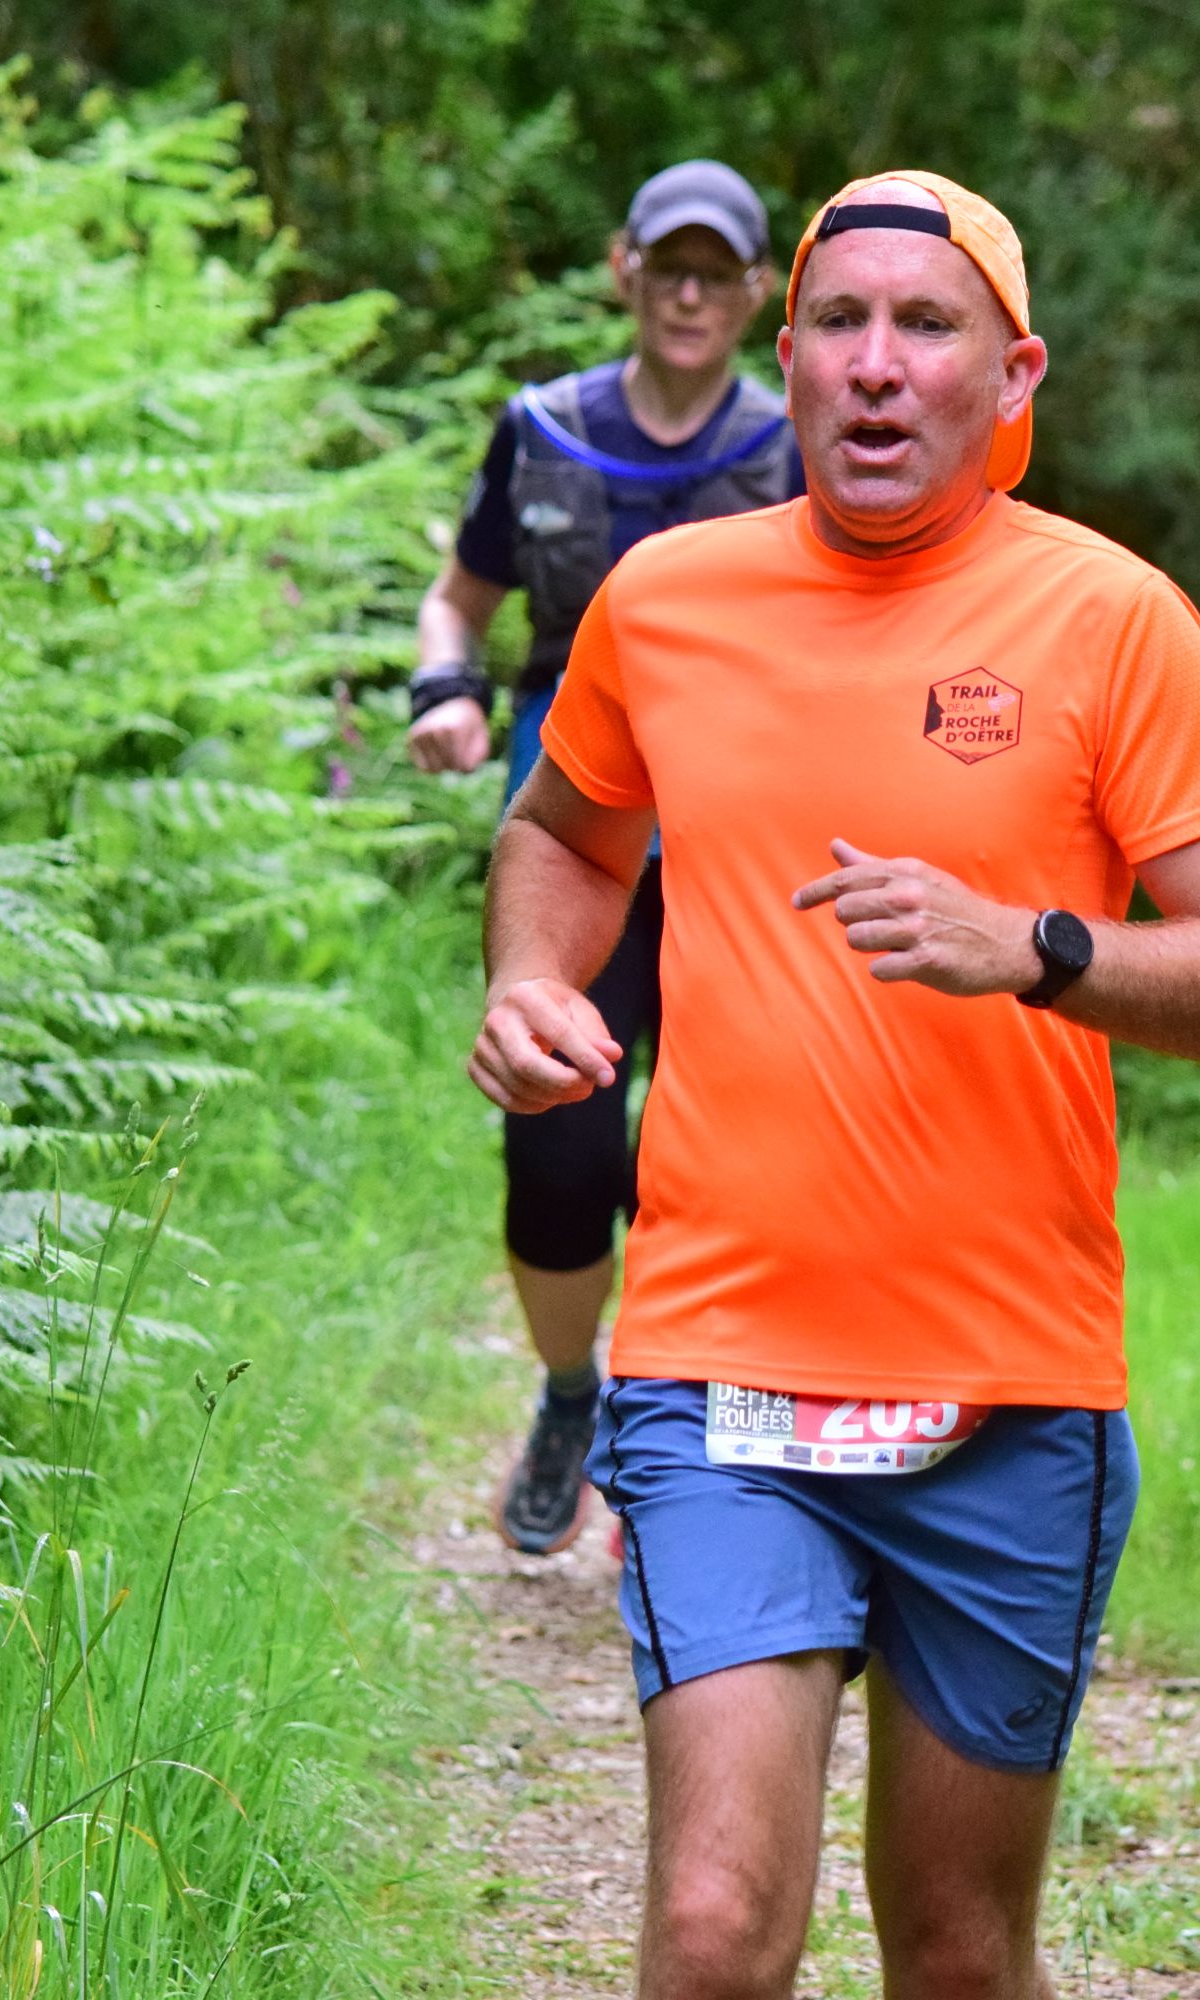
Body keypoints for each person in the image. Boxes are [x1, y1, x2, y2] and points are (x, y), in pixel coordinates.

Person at [465, 170, 1200, 1999]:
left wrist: (1042, 946)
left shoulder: (1111, 620)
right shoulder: (667, 602)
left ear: (1012, 378)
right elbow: (563, 829)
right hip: (721, 1373)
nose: (877, 364)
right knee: (714, 1931)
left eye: (927, 327)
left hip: (1007, 1390)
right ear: (788, 360)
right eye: (842, 324)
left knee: (955, 1952)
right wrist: (532, 979)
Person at [406, 159, 803, 1556]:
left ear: (756, 293)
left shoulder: (800, 449)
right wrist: (443, 692)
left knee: (723, 1155)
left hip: (741, 851)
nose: (689, 295)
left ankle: (679, 1444)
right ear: (625, 269)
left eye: (717, 273)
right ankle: (572, 1392)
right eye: (667, 267)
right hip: (575, 837)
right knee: (561, 1148)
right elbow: (457, 605)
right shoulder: (545, 433)